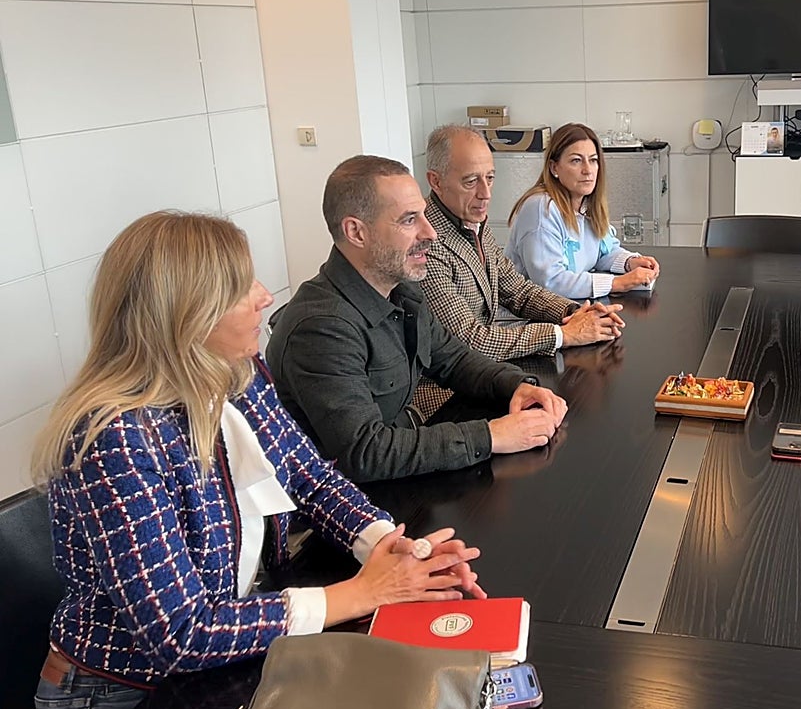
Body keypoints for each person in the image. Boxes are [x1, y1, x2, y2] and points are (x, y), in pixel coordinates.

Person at [30, 212, 485, 709]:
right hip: (126, 692)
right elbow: (181, 634)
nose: (265, 296)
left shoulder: (237, 373)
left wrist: (391, 547)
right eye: (242, 288)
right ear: (186, 314)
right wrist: (360, 594)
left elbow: (309, 477)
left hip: (231, 653)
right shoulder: (114, 438)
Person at [265, 156, 567, 483]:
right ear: (356, 231)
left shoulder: (401, 289)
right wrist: (490, 436)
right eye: (410, 220)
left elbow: (454, 360)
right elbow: (366, 452)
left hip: (398, 481)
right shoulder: (321, 328)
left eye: (424, 214)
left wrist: (516, 385)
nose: (431, 232)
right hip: (348, 511)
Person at [422, 124, 625, 359]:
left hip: (483, 367)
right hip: (447, 389)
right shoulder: (426, 243)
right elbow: (469, 340)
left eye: (489, 178)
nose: (486, 193)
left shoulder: (472, 221)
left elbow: (518, 290)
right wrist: (562, 334)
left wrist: (575, 311)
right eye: (470, 182)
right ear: (435, 181)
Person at [506, 122, 660, 299]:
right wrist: (617, 283)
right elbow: (550, 282)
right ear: (554, 167)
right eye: (576, 161)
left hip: (569, 309)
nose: (587, 170)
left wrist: (629, 262)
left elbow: (604, 252)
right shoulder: (541, 208)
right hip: (526, 320)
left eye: (593, 160)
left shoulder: (585, 204)